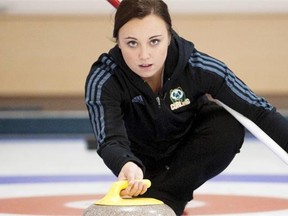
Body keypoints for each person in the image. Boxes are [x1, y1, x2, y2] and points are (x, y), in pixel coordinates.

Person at [85, 0, 288, 215]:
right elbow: (110, 140)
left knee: (227, 125)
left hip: (185, 158)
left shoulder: (197, 66)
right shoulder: (104, 79)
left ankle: (165, 199)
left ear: (170, 36)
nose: (144, 55)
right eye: (132, 43)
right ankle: (155, 198)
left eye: (154, 41)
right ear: (118, 41)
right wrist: (125, 164)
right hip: (139, 163)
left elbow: (259, 111)